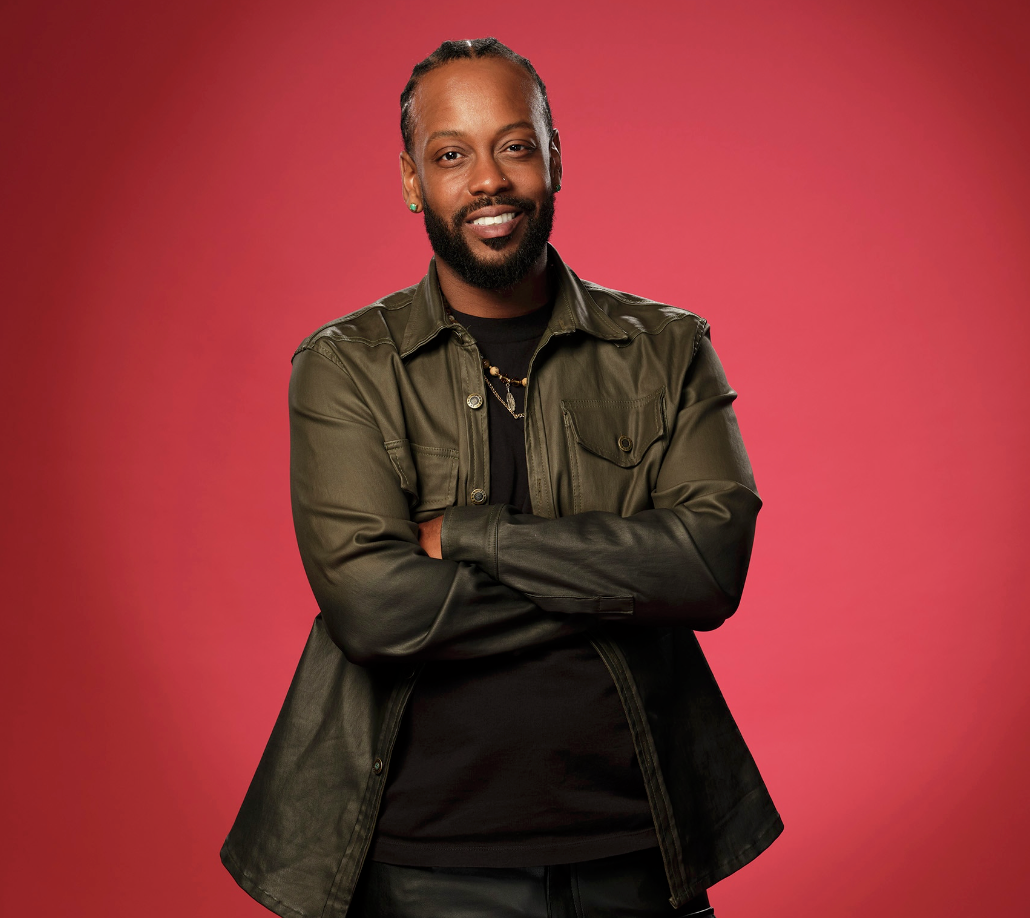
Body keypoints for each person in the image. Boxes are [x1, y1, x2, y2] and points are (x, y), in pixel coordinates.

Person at [221, 37, 782, 918]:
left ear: (555, 160)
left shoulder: (668, 349)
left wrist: (473, 536)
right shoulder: (345, 366)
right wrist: (627, 587)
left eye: (515, 146)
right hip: (422, 867)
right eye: (451, 155)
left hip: (641, 852)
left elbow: (709, 566)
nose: (488, 179)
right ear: (412, 181)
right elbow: (373, 610)